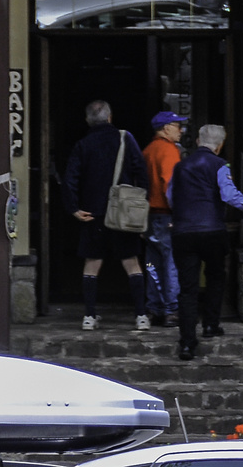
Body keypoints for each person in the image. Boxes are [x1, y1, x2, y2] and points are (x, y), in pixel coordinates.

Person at [168, 123, 243, 361]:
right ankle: (210, 324)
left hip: (183, 231)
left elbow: (170, 196)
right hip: (212, 230)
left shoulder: (180, 166)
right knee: (216, 276)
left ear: (198, 141)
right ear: (220, 146)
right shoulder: (220, 165)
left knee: (187, 289)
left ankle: (187, 343)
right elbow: (228, 194)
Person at [60, 99, 150, 331]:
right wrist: (141, 203)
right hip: (124, 213)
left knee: (92, 264)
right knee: (132, 263)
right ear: (110, 117)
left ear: (88, 120)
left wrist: (74, 208)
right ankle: (141, 315)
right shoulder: (125, 139)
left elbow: (70, 179)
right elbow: (142, 171)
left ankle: (89, 316)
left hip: (93, 213)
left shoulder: (83, 144)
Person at [141, 110, 187, 327]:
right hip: (166, 214)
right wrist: (179, 212)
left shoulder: (148, 150)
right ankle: (171, 310)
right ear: (166, 128)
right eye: (178, 126)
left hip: (149, 215)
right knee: (170, 262)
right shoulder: (169, 150)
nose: (181, 130)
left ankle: (153, 307)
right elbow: (171, 185)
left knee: (152, 262)